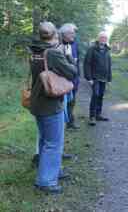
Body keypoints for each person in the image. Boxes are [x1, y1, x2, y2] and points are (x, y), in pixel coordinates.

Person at [29, 22, 77, 194]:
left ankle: (52, 170)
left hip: (36, 101)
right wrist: (70, 58)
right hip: (49, 102)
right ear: (54, 35)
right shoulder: (53, 53)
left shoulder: (35, 50)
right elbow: (72, 72)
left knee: (45, 139)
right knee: (53, 142)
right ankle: (46, 181)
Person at [84, 31, 112, 126]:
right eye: (102, 37)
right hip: (95, 77)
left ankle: (98, 115)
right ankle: (92, 117)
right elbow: (87, 64)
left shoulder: (107, 49)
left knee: (100, 95)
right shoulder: (92, 49)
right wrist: (89, 78)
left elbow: (109, 65)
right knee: (95, 95)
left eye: (105, 38)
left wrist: (109, 78)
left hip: (104, 77)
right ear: (98, 38)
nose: (103, 39)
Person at [59, 23, 80, 130]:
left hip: (73, 79)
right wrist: (71, 59)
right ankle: (62, 124)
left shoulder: (74, 44)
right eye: (72, 33)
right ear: (64, 34)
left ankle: (70, 123)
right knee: (63, 103)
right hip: (63, 81)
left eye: (74, 32)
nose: (74, 35)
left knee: (72, 101)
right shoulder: (58, 45)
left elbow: (77, 62)